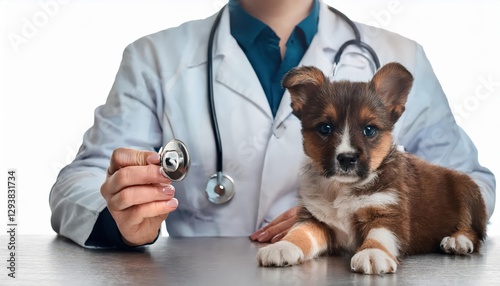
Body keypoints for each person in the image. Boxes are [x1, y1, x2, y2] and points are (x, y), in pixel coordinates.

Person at [49, 0, 496, 248]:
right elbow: (79, 181)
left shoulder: (399, 55)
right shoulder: (153, 59)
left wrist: (351, 215)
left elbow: (471, 184)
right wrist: (119, 216)